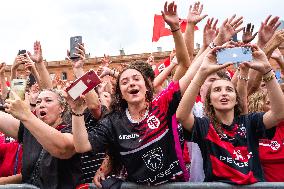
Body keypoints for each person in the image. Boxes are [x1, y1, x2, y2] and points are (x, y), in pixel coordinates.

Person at [72, 2, 197, 185]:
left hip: (176, 184)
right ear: (120, 94)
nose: (131, 83)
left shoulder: (163, 103)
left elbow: (187, 66)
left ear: (148, 86)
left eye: (136, 79)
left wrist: (177, 29)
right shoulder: (114, 121)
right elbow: (82, 145)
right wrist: (78, 78)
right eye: (124, 81)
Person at [176, 44, 284, 184]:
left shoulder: (250, 122)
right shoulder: (205, 127)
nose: (224, 93)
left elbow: (279, 113)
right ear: (209, 101)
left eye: (229, 89)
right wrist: (202, 72)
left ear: (236, 99)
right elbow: (181, 116)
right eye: (217, 90)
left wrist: (267, 70)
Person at [0, 89, 83, 188]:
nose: (41, 105)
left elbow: (63, 148)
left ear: (61, 108)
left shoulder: (72, 129)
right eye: (38, 102)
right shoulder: (30, 129)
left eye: (48, 101)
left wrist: (26, 115)